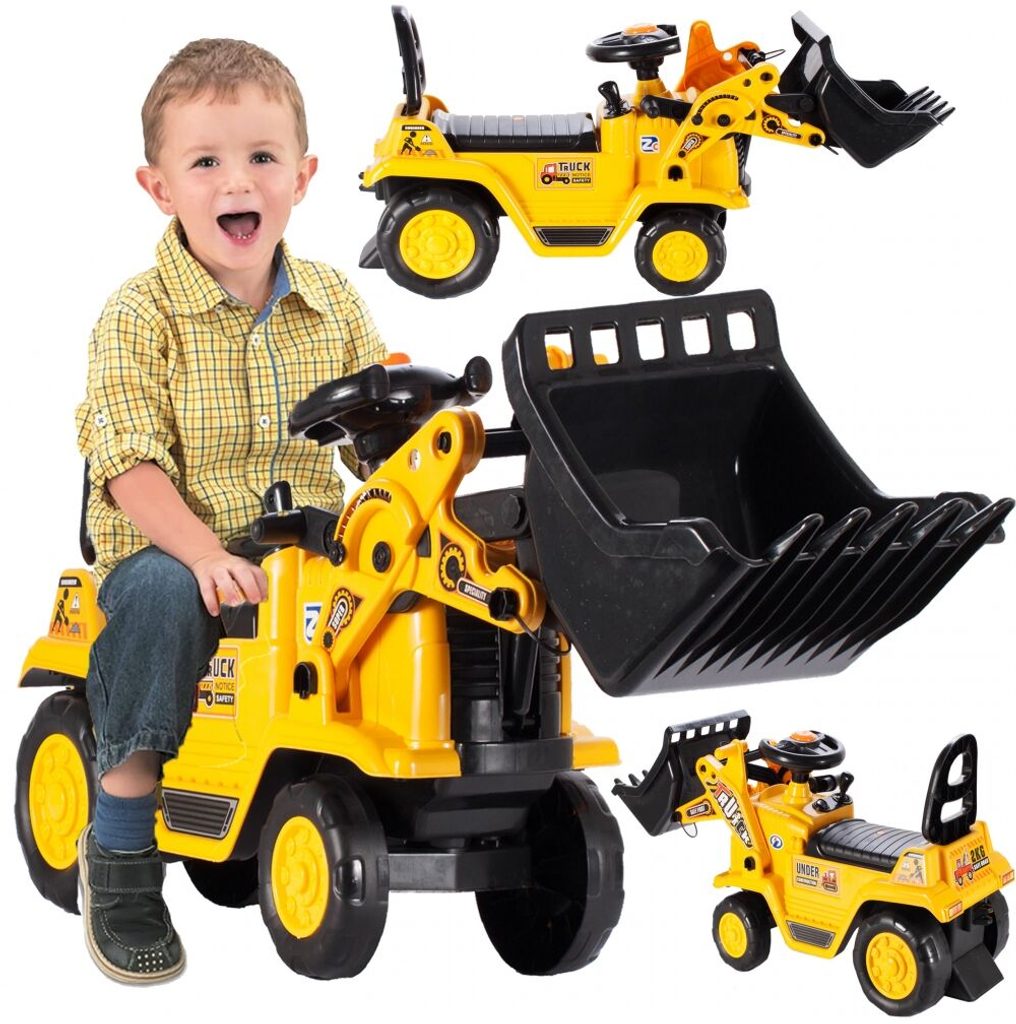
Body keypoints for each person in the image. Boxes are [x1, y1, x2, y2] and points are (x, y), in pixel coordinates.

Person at [74, 38, 386, 984]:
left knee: (420, 586)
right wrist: (206, 554)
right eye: (205, 161)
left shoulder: (334, 303)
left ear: (303, 176)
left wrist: (410, 445)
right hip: (173, 546)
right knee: (166, 600)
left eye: (261, 157)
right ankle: (121, 846)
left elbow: (375, 438)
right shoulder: (139, 315)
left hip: (311, 546)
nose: (237, 181)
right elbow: (127, 464)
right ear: (160, 187)